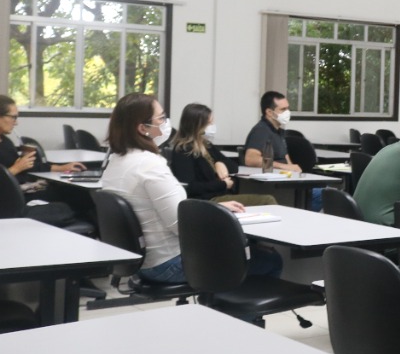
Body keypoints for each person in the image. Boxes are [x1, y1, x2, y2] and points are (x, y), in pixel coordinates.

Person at [102, 93, 281, 285]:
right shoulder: (150, 165)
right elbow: (182, 226)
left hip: (141, 262)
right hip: (169, 264)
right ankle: (229, 311)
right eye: (161, 118)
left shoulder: (116, 162)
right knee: (269, 261)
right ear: (143, 128)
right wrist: (218, 217)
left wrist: (215, 209)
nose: (166, 123)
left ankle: (218, 303)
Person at [0, 94, 87, 222]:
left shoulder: (5, 142)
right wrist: (17, 168)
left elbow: (27, 167)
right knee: (68, 206)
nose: (16, 122)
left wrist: (61, 167)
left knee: (76, 194)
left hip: (20, 195)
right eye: (13, 117)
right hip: (3, 206)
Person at [170, 102, 275, 206]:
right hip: (206, 201)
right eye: (209, 123)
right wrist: (223, 184)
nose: (212, 126)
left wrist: (220, 163)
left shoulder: (206, 145)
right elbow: (190, 187)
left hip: (219, 196)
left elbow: (234, 167)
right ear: (197, 125)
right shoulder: (183, 150)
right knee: (267, 200)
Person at [242, 90, 321, 211]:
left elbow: (287, 160)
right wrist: (283, 167)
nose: (287, 113)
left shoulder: (279, 131)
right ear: (269, 112)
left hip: (288, 182)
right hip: (277, 188)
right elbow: (250, 159)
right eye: (283, 110)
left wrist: (291, 168)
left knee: (325, 191)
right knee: (326, 195)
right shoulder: (261, 131)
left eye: (288, 109)